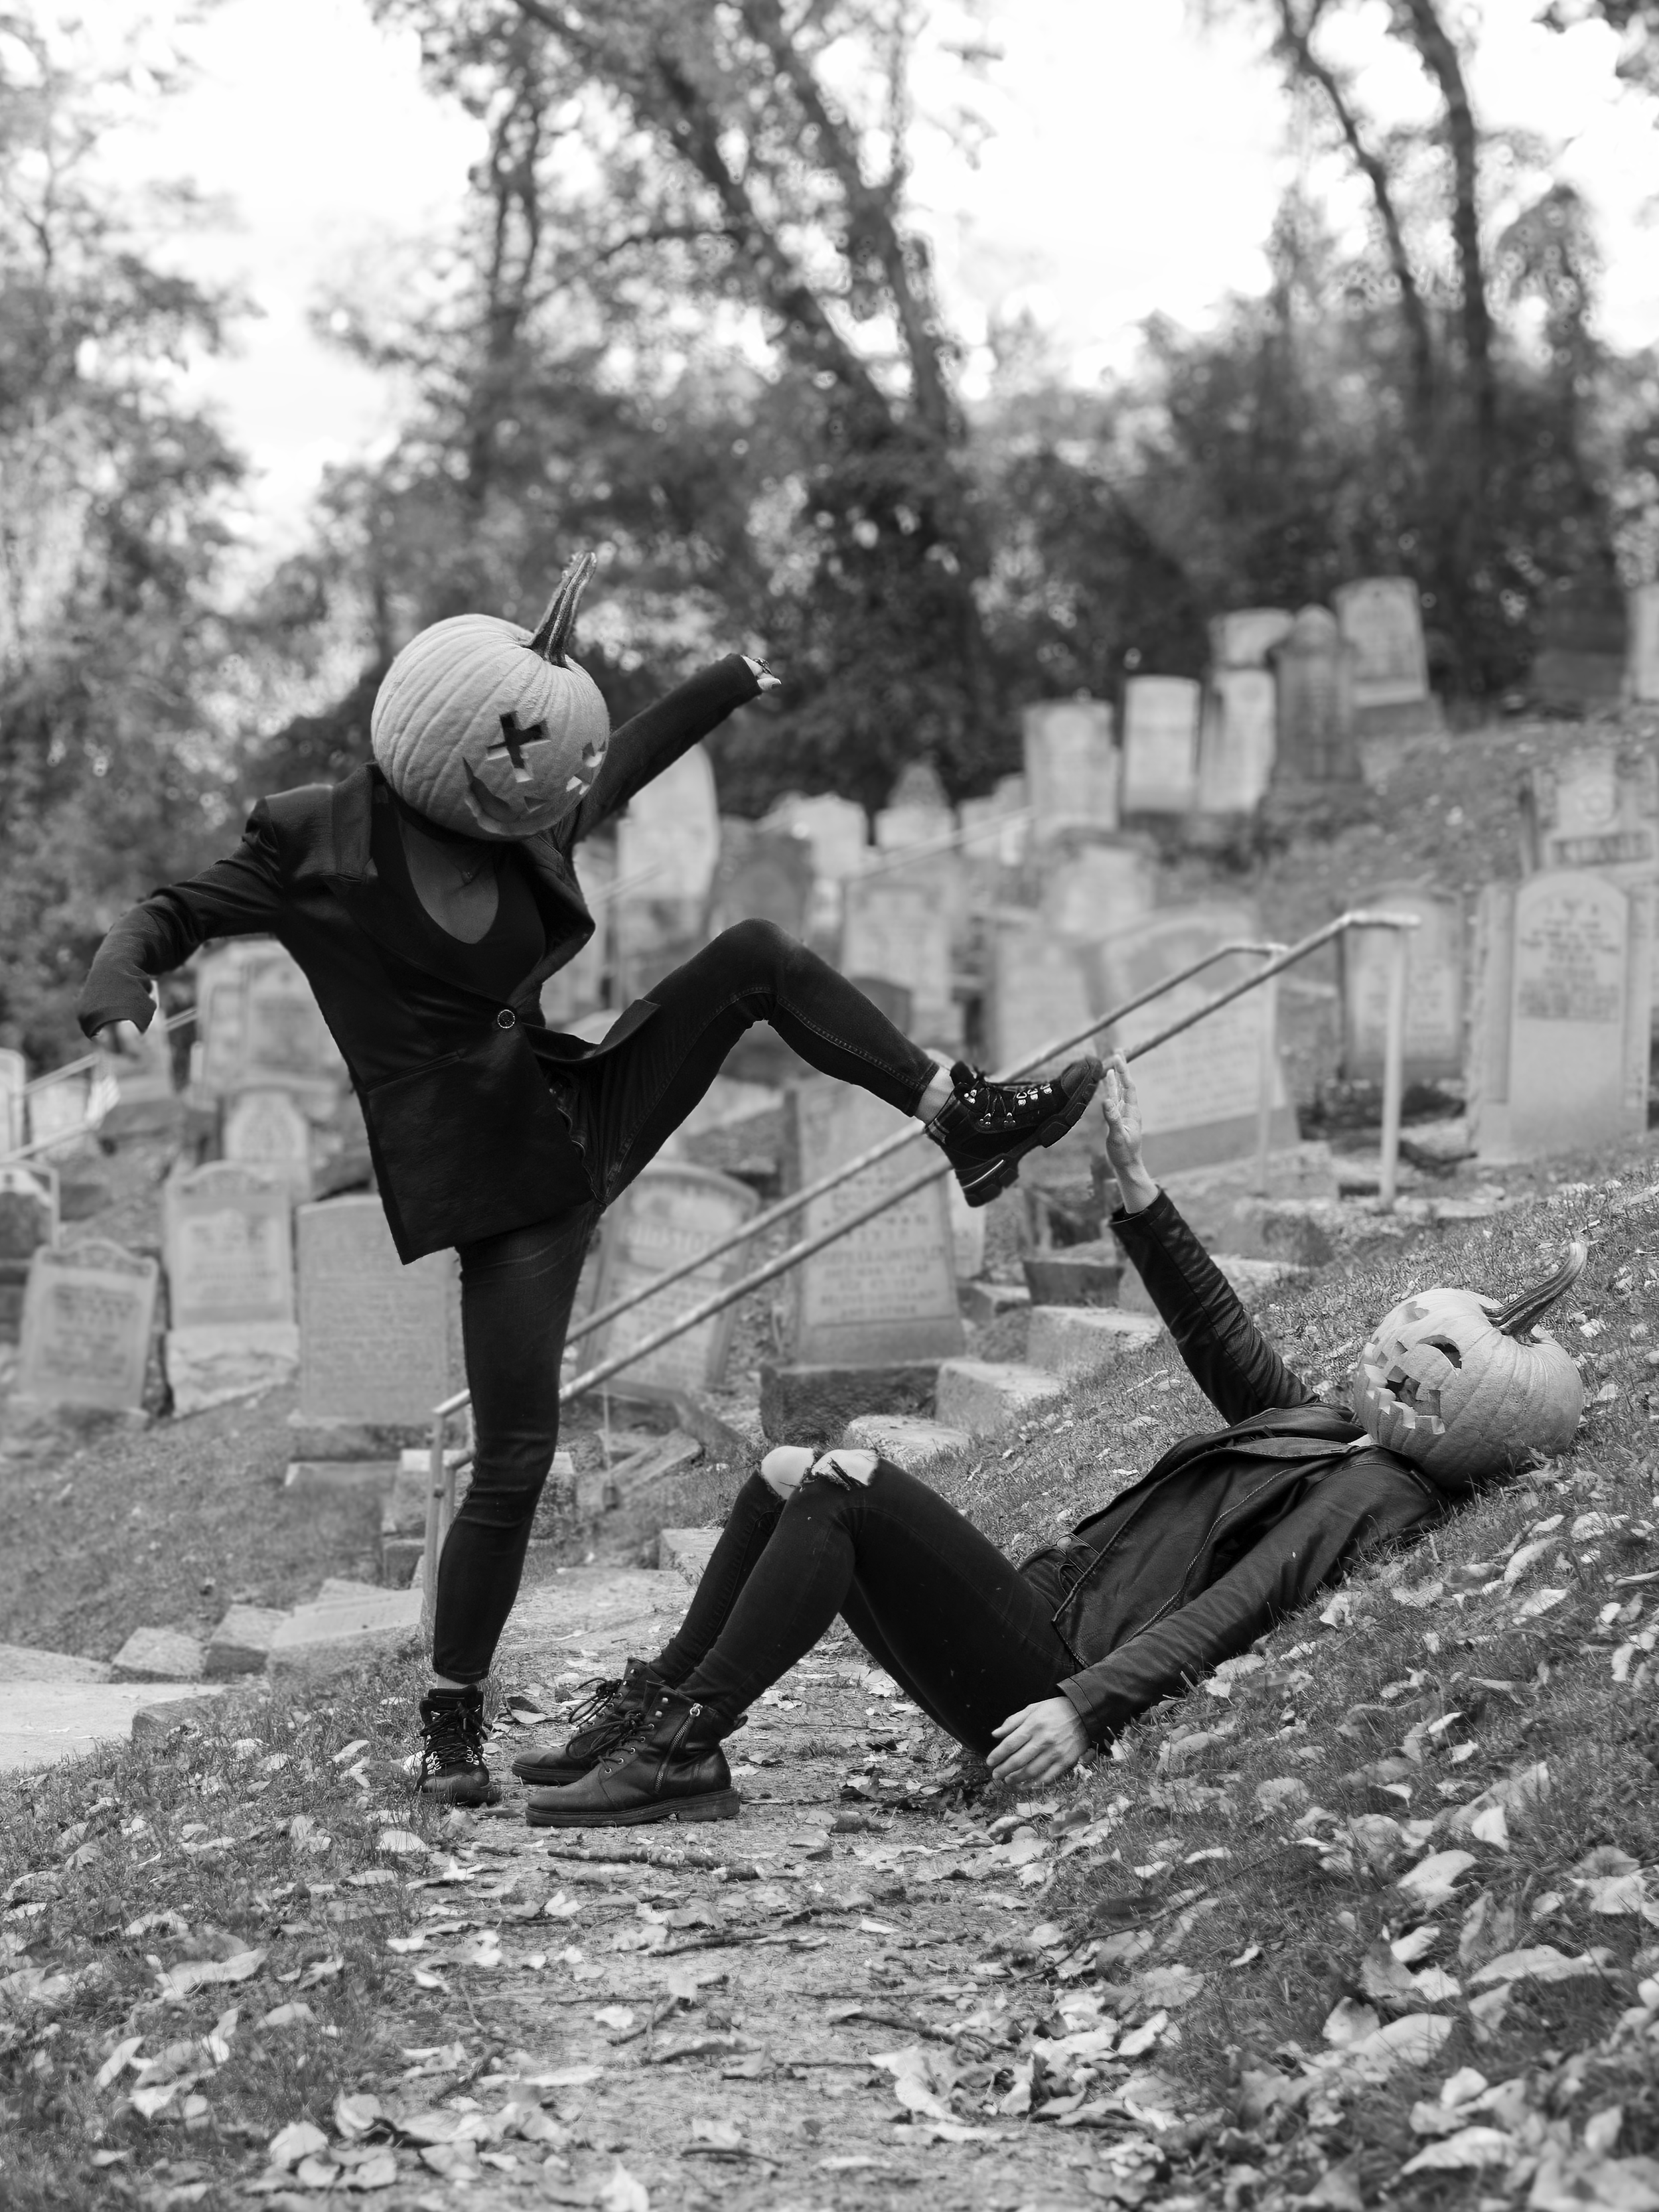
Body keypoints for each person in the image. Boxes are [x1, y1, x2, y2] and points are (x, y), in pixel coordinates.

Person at [74, 559, 1103, 1807]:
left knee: (756, 958)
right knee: (516, 1458)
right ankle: (451, 1719)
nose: (555, 779)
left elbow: (615, 762)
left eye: (559, 760)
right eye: (523, 749)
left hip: (582, 1102)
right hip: (500, 1185)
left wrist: (726, 682)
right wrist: (122, 977)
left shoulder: (526, 813)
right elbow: (172, 910)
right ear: (442, 735)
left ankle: (963, 1116)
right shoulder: (316, 846)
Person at [516, 1049, 1583, 1828]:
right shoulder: (1339, 1430)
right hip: (1040, 1620)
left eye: (1432, 1358)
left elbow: (1240, 1606)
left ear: (1464, 1422)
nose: (1399, 1347)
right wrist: (1139, 1187)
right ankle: (651, 1713)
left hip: (1057, 1670)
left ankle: (682, 1749)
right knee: (788, 1470)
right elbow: (1227, 1347)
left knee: (845, 1483)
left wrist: (1085, 1710)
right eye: (1415, 1334)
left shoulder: (1380, 1493)